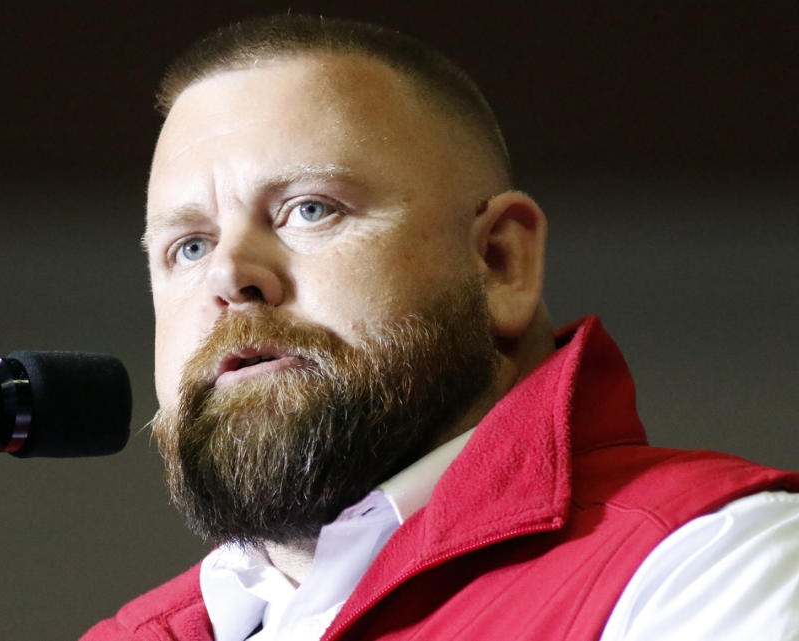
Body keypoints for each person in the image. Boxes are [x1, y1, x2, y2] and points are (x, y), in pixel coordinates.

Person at [82, 14, 799, 641]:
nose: (230, 274)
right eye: (189, 247)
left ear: (499, 262)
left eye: (310, 208)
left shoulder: (710, 563)